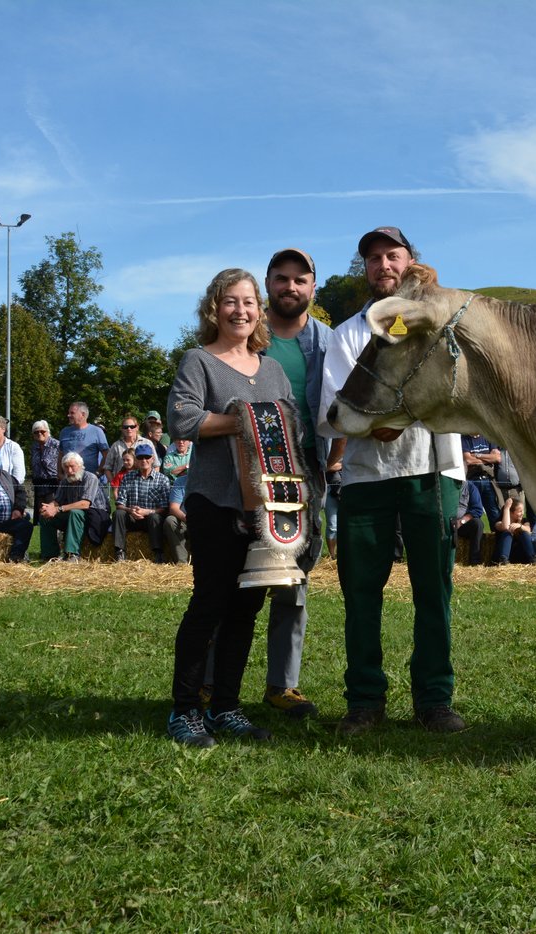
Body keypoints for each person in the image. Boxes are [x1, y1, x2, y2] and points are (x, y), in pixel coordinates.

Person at [317, 226, 468, 735]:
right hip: (366, 476)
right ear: (365, 269)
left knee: (434, 590)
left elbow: (455, 391)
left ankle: (434, 699)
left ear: (410, 261)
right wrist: (382, 418)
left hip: (433, 469)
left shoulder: (441, 324)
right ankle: (364, 700)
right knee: (361, 592)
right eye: (373, 258)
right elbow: (333, 409)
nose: (383, 265)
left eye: (392, 255)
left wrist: (393, 415)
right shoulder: (348, 334)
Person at [166, 267, 294, 747]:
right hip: (214, 501)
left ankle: (225, 707)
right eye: (230, 301)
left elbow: (290, 426)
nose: (240, 311)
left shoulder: (273, 369)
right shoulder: (199, 361)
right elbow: (182, 420)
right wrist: (245, 419)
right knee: (209, 604)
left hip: (265, 509)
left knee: (245, 608)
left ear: (260, 310)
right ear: (214, 309)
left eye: (248, 302)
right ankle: (185, 711)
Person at [239, 247, 344, 720]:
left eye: (300, 280)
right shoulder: (245, 335)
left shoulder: (329, 341)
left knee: (292, 581)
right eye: (281, 278)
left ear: (313, 288)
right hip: (248, 474)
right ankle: (212, 683)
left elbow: (342, 404)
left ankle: (283, 684)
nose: (290, 287)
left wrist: (333, 464)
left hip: (306, 476)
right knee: (236, 578)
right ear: (268, 284)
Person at [37, 452, 109, 562]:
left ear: (80, 466)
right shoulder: (65, 481)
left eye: (72, 466)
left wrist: (58, 509)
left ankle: (72, 554)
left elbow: (85, 504)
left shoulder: (90, 478)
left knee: (75, 512)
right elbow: (57, 501)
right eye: (66, 467)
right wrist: (49, 508)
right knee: (45, 516)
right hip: (73, 514)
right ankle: (49, 555)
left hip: (95, 515)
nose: (69, 471)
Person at [113, 440, 171, 562]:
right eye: (140, 458)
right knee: (118, 514)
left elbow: (164, 508)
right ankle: (119, 551)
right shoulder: (127, 477)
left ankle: (158, 553)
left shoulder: (162, 479)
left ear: (152, 459)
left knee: (155, 517)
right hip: (132, 517)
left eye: (147, 457)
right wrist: (130, 510)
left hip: (151, 518)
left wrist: (147, 511)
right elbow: (119, 504)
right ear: (136, 460)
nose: (144, 460)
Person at [59, 401, 109, 475]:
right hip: (68, 478)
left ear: (83, 414)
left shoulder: (96, 431)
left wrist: (98, 472)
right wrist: (59, 473)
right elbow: (60, 454)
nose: (68, 415)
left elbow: (107, 455)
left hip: (88, 478)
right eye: (69, 413)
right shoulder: (64, 432)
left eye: (72, 413)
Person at [490, 493, 536, 565]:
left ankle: (533, 558)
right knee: (507, 533)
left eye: (523, 510)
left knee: (524, 533)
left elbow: (529, 530)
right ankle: (503, 560)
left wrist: (520, 526)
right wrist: (506, 508)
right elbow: (505, 527)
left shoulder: (524, 521)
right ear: (511, 513)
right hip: (502, 553)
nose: (522, 513)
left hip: (518, 554)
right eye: (520, 511)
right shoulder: (499, 522)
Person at [450, 478, 486, 565]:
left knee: (478, 524)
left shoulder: (470, 487)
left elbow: (477, 509)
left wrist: (461, 522)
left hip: (461, 524)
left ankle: (475, 561)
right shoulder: (444, 485)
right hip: (445, 522)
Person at [104, 415, 145, 482]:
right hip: (120, 484)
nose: (129, 429)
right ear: (122, 429)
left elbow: (155, 465)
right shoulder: (116, 446)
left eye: (132, 427)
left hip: (142, 485)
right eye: (125, 427)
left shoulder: (146, 443)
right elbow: (107, 468)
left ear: (137, 427)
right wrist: (114, 484)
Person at [30, 420, 62, 504]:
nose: (39, 434)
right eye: (36, 432)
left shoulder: (57, 445)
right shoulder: (34, 446)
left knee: (51, 509)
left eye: (42, 431)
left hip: (53, 484)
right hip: (38, 484)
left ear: (48, 432)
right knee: (40, 510)